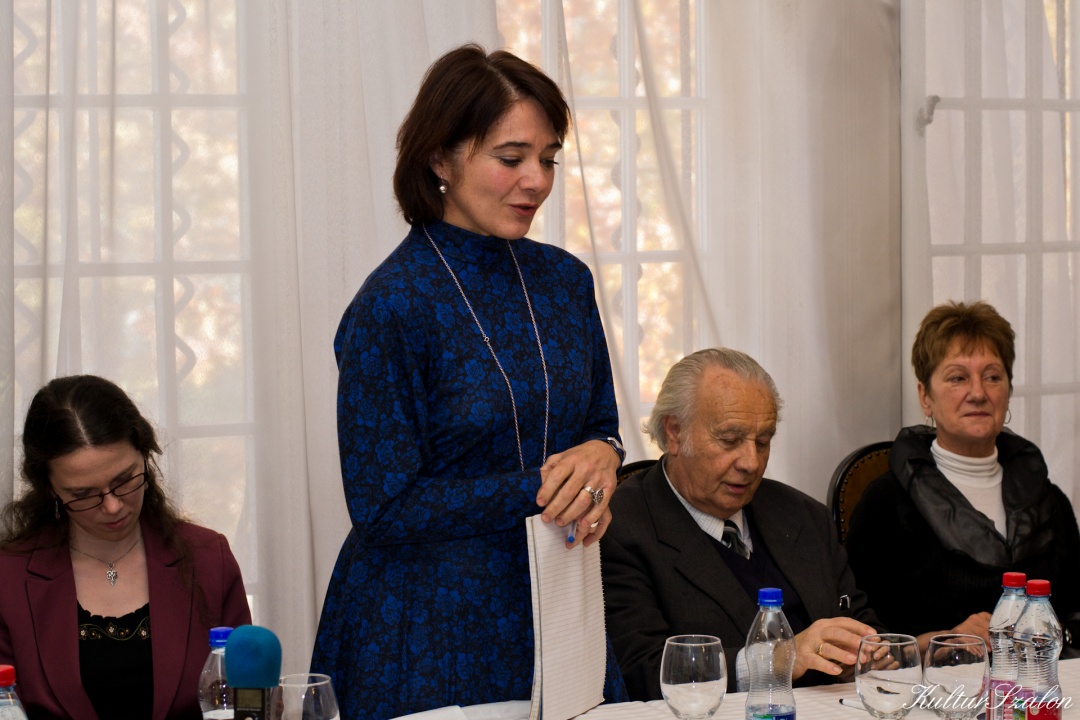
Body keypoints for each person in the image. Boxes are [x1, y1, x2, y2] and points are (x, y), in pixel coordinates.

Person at [310, 43, 626, 719]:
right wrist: (547, 487)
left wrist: (605, 456)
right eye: (511, 158)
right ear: (439, 159)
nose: (536, 180)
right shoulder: (391, 306)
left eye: (549, 159)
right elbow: (383, 507)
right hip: (426, 629)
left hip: (559, 604)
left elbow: (601, 425)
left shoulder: (567, 283)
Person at [601, 348, 881, 699]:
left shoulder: (803, 515)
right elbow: (640, 671)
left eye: (763, 441)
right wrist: (777, 660)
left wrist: (872, 653)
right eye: (730, 440)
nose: (751, 462)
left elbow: (861, 622)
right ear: (675, 432)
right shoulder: (622, 527)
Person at [0, 375, 251, 719]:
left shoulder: (207, 558)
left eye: (125, 480)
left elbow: (246, 698)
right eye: (83, 494)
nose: (113, 506)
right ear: (49, 488)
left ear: (145, 455)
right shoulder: (9, 579)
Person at [847, 300, 1080, 652]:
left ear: (1008, 391)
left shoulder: (1052, 502)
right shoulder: (885, 504)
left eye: (992, 376)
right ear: (925, 397)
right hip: (932, 684)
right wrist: (944, 641)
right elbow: (864, 639)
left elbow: (1075, 615)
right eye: (958, 377)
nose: (978, 393)